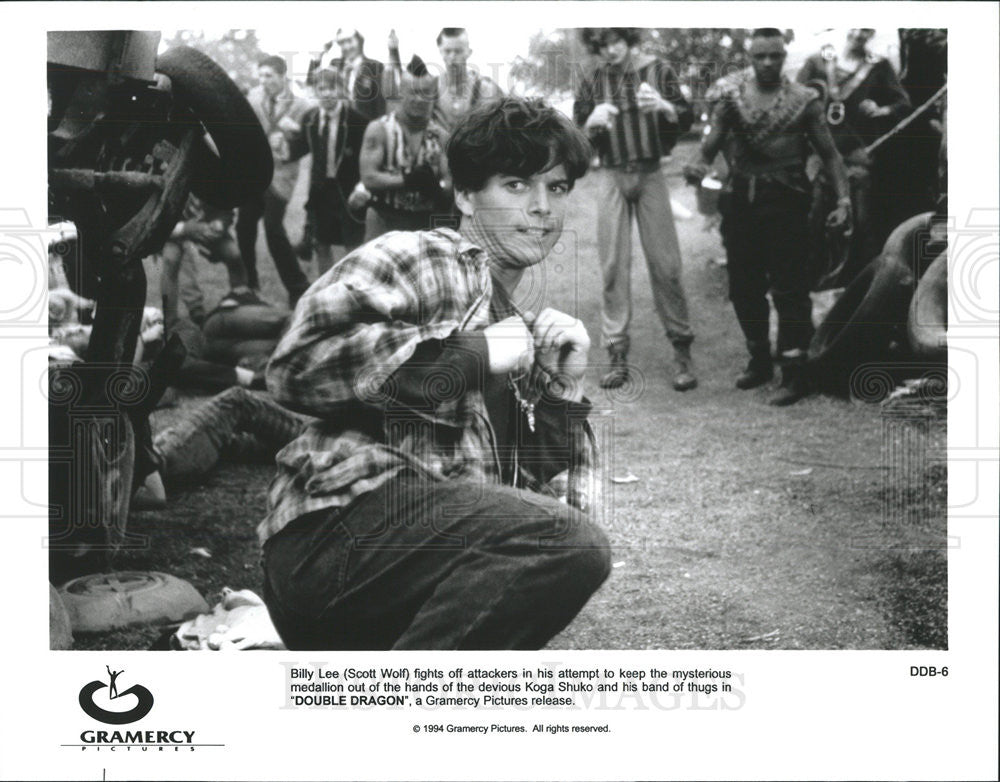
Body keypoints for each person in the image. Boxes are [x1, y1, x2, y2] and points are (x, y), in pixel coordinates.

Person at [260, 96, 611, 650]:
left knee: (570, 543)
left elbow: (557, 519)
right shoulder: (416, 257)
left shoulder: (522, 330)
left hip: (418, 572)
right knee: (563, 540)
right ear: (465, 194)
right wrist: (471, 355)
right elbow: (293, 368)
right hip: (332, 539)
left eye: (558, 187)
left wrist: (564, 392)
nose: (542, 207)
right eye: (517, 184)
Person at [684, 29, 852, 406]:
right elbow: (710, 146)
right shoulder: (731, 100)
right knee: (744, 286)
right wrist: (697, 165)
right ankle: (759, 360)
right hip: (741, 202)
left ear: (783, 55)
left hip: (787, 203)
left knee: (790, 287)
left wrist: (843, 200)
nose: (767, 64)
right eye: (760, 57)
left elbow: (830, 155)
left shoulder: (804, 101)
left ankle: (796, 372)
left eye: (774, 56)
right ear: (750, 56)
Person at [573, 28, 697, 392]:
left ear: (629, 39)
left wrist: (664, 107)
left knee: (666, 264)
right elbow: (577, 139)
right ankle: (617, 355)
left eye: (617, 42)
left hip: (650, 173)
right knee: (613, 265)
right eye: (603, 45)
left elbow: (686, 118)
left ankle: (682, 352)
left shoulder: (657, 70)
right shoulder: (594, 79)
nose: (611, 51)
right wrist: (589, 123)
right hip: (612, 174)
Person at [796, 29, 911, 286]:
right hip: (818, 156)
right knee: (811, 218)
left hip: (857, 157)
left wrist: (881, 110)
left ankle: (860, 288)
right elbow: (794, 97)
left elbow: (903, 104)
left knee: (861, 223)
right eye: (856, 28)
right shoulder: (818, 61)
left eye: (867, 29)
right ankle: (809, 282)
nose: (860, 33)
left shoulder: (878, 66)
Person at [237, 55, 312, 307]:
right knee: (244, 226)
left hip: (281, 176)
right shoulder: (254, 98)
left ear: (283, 76)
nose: (264, 81)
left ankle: (298, 287)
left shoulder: (302, 106)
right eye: (261, 76)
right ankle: (249, 284)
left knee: (272, 228)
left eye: (269, 76)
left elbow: (308, 142)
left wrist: (293, 137)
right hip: (255, 172)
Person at [286, 67, 369, 276]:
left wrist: (362, 189)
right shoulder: (310, 118)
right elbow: (297, 149)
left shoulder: (357, 121)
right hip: (320, 192)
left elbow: (367, 161)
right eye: (321, 88)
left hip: (349, 191)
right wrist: (282, 144)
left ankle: (356, 289)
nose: (327, 93)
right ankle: (326, 291)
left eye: (332, 88)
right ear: (314, 91)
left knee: (354, 246)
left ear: (341, 90)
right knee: (321, 244)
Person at [359, 55, 450, 240]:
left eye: (426, 92)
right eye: (413, 92)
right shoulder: (380, 129)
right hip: (385, 218)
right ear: (401, 92)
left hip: (425, 221)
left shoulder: (441, 136)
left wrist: (437, 188)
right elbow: (369, 177)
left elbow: (450, 182)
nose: (420, 99)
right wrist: (406, 180)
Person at [160, 194, 256, 328]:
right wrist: (186, 228)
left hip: (207, 227)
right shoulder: (169, 178)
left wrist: (219, 224)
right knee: (170, 259)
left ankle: (241, 302)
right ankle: (169, 320)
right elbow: (159, 220)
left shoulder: (212, 176)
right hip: (176, 231)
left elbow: (227, 209)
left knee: (233, 254)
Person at [308, 28, 387, 121]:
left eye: (350, 41)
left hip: (365, 123)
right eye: (342, 43)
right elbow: (311, 82)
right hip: (340, 123)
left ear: (359, 41)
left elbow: (380, 101)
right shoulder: (335, 64)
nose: (346, 47)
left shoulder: (375, 67)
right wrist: (319, 56)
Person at [432, 28, 503, 132]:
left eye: (458, 51)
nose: (452, 57)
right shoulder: (432, 87)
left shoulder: (484, 89)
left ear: (468, 52)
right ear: (440, 51)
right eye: (447, 51)